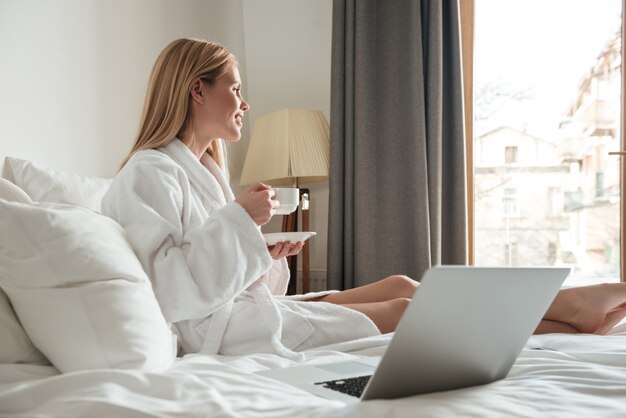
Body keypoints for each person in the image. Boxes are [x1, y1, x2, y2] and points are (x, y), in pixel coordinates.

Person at [102, 38, 626, 359]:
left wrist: (261, 253)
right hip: (224, 333)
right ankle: (566, 315)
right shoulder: (147, 174)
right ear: (197, 90)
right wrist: (240, 222)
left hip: (245, 311)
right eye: (234, 88)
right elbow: (170, 290)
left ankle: (564, 309)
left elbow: (221, 271)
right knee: (401, 308)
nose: (243, 101)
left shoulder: (205, 171)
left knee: (403, 283)